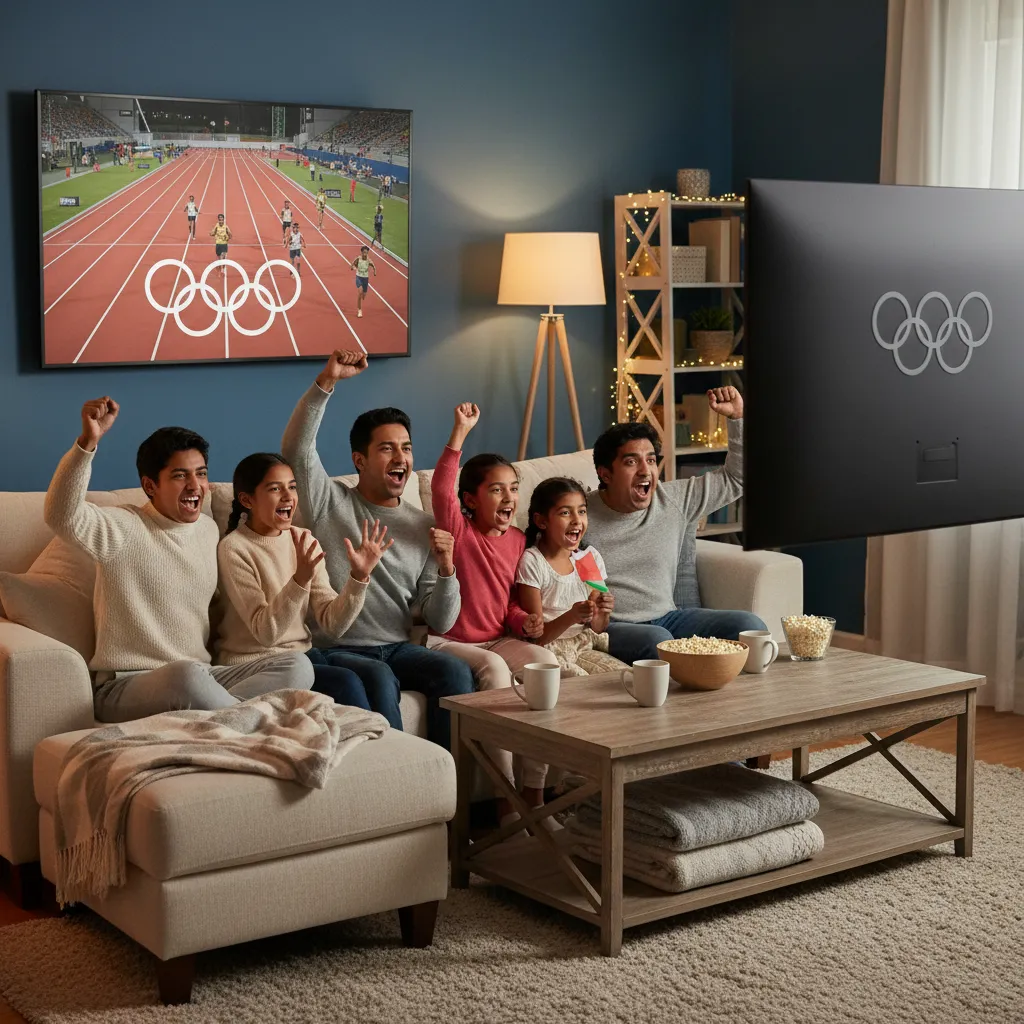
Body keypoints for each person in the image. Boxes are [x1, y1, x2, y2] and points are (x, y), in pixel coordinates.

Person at [43, 399, 314, 724]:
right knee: (184, 676)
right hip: (127, 685)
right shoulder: (121, 527)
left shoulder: (208, 530)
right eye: (180, 476)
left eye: (200, 474)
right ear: (150, 486)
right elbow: (61, 515)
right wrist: (87, 444)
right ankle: (250, 722)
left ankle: (232, 721)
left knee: (297, 665)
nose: (195, 486)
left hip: (204, 676)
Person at [281, 350, 474, 749]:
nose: (401, 457)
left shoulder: (423, 525)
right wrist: (327, 382)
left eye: (405, 447)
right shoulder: (327, 502)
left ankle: (445, 784)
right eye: (387, 449)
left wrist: (447, 569)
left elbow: (441, 620)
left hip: (399, 647)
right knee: (379, 678)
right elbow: (297, 449)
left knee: (455, 673)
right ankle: (398, 775)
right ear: (360, 460)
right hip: (338, 649)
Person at [428, 403, 557, 823]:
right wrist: (460, 432)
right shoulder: (459, 530)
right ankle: (505, 804)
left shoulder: (519, 540)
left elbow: (512, 606)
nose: (509, 497)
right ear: (470, 500)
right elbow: (441, 487)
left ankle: (534, 797)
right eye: (496, 489)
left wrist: (526, 622)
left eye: (513, 488)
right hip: (452, 642)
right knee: (495, 670)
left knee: (545, 665)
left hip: (499, 637)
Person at [216, 453, 402, 728]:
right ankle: (363, 756)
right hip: (258, 664)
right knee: (346, 681)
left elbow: (333, 624)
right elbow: (266, 633)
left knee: (379, 673)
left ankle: (397, 759)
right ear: (247, 500)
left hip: (303, 654)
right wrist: (300, 579)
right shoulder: (234, 549)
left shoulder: (303, 539)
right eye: (275, 488)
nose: (288, 496)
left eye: (291, 486)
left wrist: (359, 577)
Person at [586, 385, 766, 664]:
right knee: (658, 641)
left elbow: (737, 479)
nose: (646, 471)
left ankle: (746, 706)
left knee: (748, 625)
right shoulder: (580, 514)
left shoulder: (673, 499)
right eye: (632, 461)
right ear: (605, 474)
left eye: (651, 460)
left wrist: (737, 418)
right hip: (614, 625)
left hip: (670, 618)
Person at [517, 478, 627, 677]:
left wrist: (603, 610)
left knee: (624, 677)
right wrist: (572, 616)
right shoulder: (533, 562)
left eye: (582, 511)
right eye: (565, 513)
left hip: (584, 644)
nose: (577, 520)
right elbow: (536, 638)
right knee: (583, 684)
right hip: (547, 652)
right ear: (541, 521)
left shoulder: (588, 557)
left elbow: (598, 627)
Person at [350, 245, 375, 318]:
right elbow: (352, 265)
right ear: (361, 252)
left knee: (364, 295)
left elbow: (373, 266)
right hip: (358, 277)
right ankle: (359, 310)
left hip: (365, 278)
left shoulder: (368, 260)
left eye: (366, 253)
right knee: (360, 292)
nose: (365, 254)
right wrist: (354, 268)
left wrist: (374, 272)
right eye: (364, 252)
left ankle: (363, 294)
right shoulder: (358, 258)